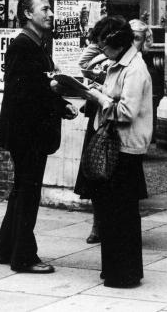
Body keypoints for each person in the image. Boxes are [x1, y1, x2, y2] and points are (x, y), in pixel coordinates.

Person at [0, 0, 79, 274]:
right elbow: (25, 92)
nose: (51, 14)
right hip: (27, 133)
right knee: (28, 192)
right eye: (44, 9)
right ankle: (24, 257)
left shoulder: (35, 44)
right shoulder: (24, 45)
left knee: (21, 190)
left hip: (25, 132)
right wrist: (56, 95)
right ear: (28, 14)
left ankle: (7, 249)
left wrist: (59, 100)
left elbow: (35, 87)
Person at [82, 16, 153, 288]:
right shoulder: (120, 63)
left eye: (105, 46)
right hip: (117, 145)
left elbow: (125, 112)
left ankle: (123, 272)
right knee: (112, 212)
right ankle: (114, 268)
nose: (102, 52)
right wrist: (100, 90)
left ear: (118, 43)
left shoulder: (135, 69)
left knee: (121, 213)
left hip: (125, 147)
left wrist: (98, 97)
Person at [74, 16, 110, 244]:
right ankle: (97, 224)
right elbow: (83, 64)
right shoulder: (99, 53)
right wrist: (98, 50)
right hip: (98, 119)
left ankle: (108, 223)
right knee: (95, 173)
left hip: (114, 121)